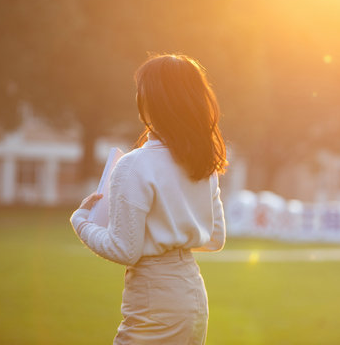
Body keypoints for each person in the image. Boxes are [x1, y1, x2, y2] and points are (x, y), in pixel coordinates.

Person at [70, 54, 228, 344]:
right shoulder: (204, 162)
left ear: (152, 100)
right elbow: (215, 238)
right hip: (191, 294)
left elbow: (123, 250)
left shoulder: (134, 164)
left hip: (155, 299)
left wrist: (81, 222)